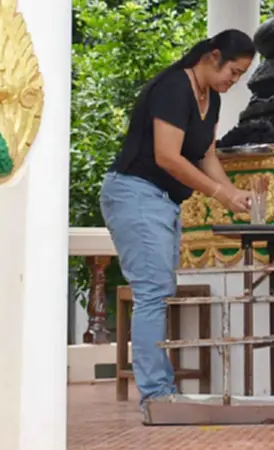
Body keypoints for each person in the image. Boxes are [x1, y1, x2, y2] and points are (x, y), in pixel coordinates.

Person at [100, 29, 259, 418]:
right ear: (213, 55)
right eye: (232, 71)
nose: (232, 81)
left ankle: (161, 391)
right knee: (152, 293)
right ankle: (157, 397)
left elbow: (206, 156)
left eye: (239, 76)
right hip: (136, 193)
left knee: (160, 290)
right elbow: (168, 157)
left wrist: (234, 193)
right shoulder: (174, 87)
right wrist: (220, 195)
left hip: (164, 201)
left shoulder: (213, 99)